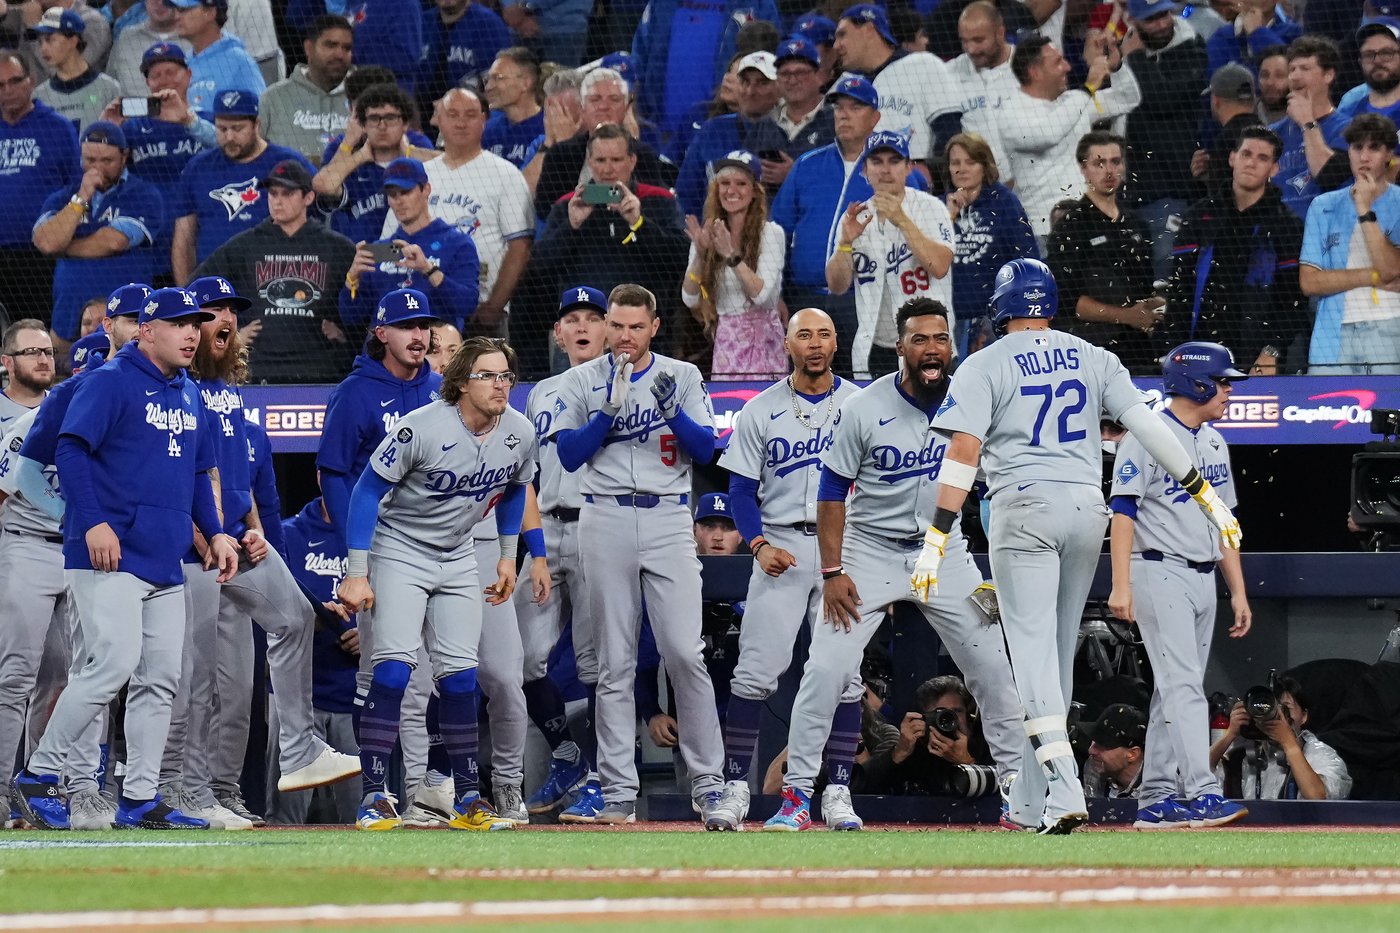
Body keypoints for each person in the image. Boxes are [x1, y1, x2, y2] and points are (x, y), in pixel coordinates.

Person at [918, 258, 1242, 834]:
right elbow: (1150, 427)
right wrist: (1205, 496)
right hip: (1086, 509)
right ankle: (1026, 803)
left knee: (1033, 659)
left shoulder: (984, 361)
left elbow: (963, 456)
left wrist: (937, 536)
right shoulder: (1093, 354)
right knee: (1057, 659)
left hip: (1025, 509)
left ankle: (1065, 792)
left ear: (1002, 305)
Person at [761, 298, 1022, 833]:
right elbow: (831, 491)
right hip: (870, 550)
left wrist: (994, 570)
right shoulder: (865, 406)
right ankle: (794, 797)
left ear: (951, 346)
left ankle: (1019, 794)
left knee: (994, 667)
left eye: (940, 339)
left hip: (944, 553)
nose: (932, 349)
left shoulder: (972, 402)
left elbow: (997, 484)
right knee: (827, 669)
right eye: (920, 339)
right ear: (900, 347)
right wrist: (833, 573)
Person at [8, 286, 238, 831]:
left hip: (164, 557)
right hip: (108, 556)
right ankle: (40, 774)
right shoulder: (110, 381)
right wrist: (91, 522)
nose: (191, 333)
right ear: (146, 330)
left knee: (161, 678)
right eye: (179, 323)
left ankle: (139, 796)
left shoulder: (188, 392)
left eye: (195, 324)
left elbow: (199, 473)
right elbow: (68, 449)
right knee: (109, 664)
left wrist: (217, 532)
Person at [160, 275, 360, 830]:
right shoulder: (178, 389)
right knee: (195, 684)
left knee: (289, 622)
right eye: (210, 311)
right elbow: (187, 474)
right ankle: (186, 791)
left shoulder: (236, 403)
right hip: (189, 555)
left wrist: (254, 533)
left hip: (234, 551)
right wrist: (208, 536)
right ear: (185, 329)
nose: (223, 319)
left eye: (230, 310)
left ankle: (279, 760)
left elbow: (240, 481)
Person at [337, 326, 536, 833]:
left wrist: (509, 558)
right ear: (460, 382)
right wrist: (357, 573)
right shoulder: (420, 426)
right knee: (394, 671)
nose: (499, 385)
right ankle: (375, 796)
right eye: (487, 376)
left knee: (461, 677)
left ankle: (467, 796)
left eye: (505, 376)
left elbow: (515, 489)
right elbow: (364, 494)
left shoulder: (519, 430)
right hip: (399, 548)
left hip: (458, 553)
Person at [550, 283, 725, 825]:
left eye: (634, 326)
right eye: (616, 326)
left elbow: (707, 451)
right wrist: (607, 412)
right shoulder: (581, 380)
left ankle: (709, 781)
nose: (624, 336)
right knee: (613, 661)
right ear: (605, 328)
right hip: (603, 514)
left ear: (652, 328)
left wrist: (673, 411)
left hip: (670, 514)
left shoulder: (684, 376)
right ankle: (619, 792)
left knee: (683, 651)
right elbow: (571, 455)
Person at [702, 308, 859, 831]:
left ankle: (837, 792)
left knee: (845, 676)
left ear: (837, 343)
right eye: (804, 335)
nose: (814, 344)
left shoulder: (859, 405)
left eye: (824, 334)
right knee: (753, 675)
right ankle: (733, 791)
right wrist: (759, 542)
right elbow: (741, 491)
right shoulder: (761, 410)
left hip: (846, 549)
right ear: (786, 344)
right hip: (783, 546)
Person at [0, 285, 147, 833]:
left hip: (77, 555)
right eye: (32, 353)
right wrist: (76, 517)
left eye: (49, 353)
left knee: (74, 677)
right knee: (15, 677)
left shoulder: (107, 407)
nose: (47, 361)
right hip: (29, 548)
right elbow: (16, 485)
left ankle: (58, 789)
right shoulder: (39, 418)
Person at [1107, 342, 1251, 827]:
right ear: (1196, 383)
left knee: (1172, 690)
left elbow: (1224, 522)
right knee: (1185, 686)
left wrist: (1239, 591)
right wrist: (1120, 585)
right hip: (1158, 568)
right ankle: (1203, 792)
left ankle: (1156, 798)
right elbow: (1122, 512)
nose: (1229, 390)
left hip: (1203, 574)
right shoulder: (1146, 436)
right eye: (1223, 381)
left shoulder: (1214, 442)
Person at [516, 286, 607, 823]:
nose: (582, 326)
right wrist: (533, 551)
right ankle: (568, 756)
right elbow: (527, 475)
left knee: (600, 667)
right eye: (571, 318)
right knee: (521, 661)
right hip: (547, 528)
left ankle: (599, 778)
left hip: (600, 524)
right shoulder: (539, 394)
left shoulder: (625, 386)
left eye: (592, 318)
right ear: (558, 333)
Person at [380, 89, 532, 342]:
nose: (461, 122)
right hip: (417, 311)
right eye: (452, 114)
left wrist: (494, 305)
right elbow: (388, 246)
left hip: (481, 308)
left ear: (484, 120)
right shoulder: (418, 175)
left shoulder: (506, 174)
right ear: (438, 118)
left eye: (470, 115)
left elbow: (520, 247)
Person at [191, 159, 355, 384]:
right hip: (259, 368)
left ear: (308, 197)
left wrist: (348, 333)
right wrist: (232, 334)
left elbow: (363, 299)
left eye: (287, 194)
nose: (277, 201)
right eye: (273, 194)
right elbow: (195, 290)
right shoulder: (246, 245)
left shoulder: (336, 247)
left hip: (320, 368)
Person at [531, 124, 689, 355]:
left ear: (632, 161)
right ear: (590, 162)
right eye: (601, 160)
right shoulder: (568, 205)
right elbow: (540, 264)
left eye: (616, 160)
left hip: (640, 332)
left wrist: (639, 224)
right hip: (582, 333)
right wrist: (571, 227)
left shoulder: (658, 201)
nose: (608, 169)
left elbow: (679, 259)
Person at [1164, 127, 1306, 375]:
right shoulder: (1198, 217)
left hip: (1257, 359)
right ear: (1232, 158)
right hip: (1199, 351)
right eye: (1246, 154)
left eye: (1262, 158)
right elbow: (1180, 288)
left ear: (1274, 169)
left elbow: (1291, 298)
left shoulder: (1287, 225)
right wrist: (1177, 350)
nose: (1251, 163)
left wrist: (1271, 350)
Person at [771, 74, 885, 380]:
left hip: (862, 301)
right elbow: (776, 232)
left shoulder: (890, 171)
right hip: (803, 297)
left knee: (859, 383)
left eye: (855, 107)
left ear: (875, 118)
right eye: (838, 107)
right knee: (804, 383)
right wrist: (776, 294)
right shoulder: (807, 165)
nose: (844, 114)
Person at [827, 132, 954, 379]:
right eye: (877, 162)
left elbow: (939, 266)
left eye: (894, 161)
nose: (885, 170)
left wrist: (902, 220)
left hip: (929, 345)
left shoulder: (931, 208)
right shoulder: (856, 216)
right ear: (864, 169)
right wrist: (845, 243)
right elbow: (837, 285)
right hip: (875, 347)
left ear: (908, 168)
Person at [1000, 32, 1142, 244]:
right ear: (1035, 72)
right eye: (1058, 62)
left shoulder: (1073, 102)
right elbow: (1047, 134)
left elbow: (1127, 98)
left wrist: (1117, 66)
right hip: (1042, 231)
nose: (1067, 67)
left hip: (1086, 224)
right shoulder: (1011, 113)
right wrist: (1089, 87)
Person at [32, 122, 165, 347]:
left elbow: (112, 241)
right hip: (68, 316)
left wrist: (64, 246)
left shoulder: (144, 194)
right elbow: (46, 242)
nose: (98, 168)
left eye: (107, 161)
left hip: (128, 317)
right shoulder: (63, 196)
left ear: (124, 157)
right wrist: (82, 197)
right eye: (90, 160)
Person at [1046, 130, 1162, 375]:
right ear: (1083, 168)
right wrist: (1126, 316)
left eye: (1115, 162)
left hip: (1137, 352)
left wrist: (1159, 304)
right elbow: (1068, 301)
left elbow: (1143, 290)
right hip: (1089, 353)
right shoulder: (1070, 228)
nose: (1109, 171)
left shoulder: (1137, 224)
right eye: (1099, 163)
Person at [170, 89, 313, 284]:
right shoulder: (198, 168)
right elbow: (184, 241)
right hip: (214, 287)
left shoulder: (288, 162)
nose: (229, 137)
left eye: (237, 129)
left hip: (275, 281)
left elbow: (316, 217)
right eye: (222, 129)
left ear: (257, 125)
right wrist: (185, 296)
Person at [1301, 113, 1400, 374]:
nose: (1364, 157)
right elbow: (1310, 282)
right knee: (1325, 412)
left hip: (1388, 334)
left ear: (1389, 153)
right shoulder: (1322, 206)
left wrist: (1364, 209)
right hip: (1331, 337)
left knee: (1387, 413)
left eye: (1374, 148)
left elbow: (1391, 269)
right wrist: (1372, 275)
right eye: (1357, 148)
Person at [1119, 0, 1209, 282]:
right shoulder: (1122, 52)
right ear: (1132, 20)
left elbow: (1162, 99)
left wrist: (1134, 59)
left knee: (1166, 275)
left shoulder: (1192, 47)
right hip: (1132, 192)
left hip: (1176, 188)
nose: (1161, 24)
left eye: (1163, 15)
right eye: (1151, 19)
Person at [341, 157, 480, 334]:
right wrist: (352, 279)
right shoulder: (381, 250)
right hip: (385, 353)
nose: (399, 201)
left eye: (405, 192)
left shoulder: (456, 243)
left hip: (434, 350)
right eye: (393, 195)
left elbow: (467, 305)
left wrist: (428, 270)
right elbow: (350, 317)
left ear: (426, 190)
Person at [680, 150, 786, 380]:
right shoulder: (709, 233)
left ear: (755, 191)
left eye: (741, 183)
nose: (731, 191)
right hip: (727, 342)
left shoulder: (770, 234)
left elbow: (763, 296)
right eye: (725, 183)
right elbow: (689, 297)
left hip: (765, 343)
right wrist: (699, 255)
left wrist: (731, 255)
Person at [629, 0, 780, 150]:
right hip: (659, 133)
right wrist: (632, 107)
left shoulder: (758, 4)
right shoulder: (661, 4)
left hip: (724, 135)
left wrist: (747, 93)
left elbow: (774, 62)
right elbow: (638, 61)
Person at [531, 67, 675, 219]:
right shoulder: (561, 155)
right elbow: (544, 209)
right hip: (576, 236)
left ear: (626, 108)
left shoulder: (642, 154)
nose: (604, 106)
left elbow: (656, 206)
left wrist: (588, 197)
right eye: (595, 99)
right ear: (582, 107)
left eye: (614, 99)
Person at [0, 50, 78, 328]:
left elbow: (76, 186)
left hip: (40, 259)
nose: (8, 90)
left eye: (15, 81)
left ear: (31, 81)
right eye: (0, 85)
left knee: (38, 331)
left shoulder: (58, 128)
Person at [313, 82, 439, 251]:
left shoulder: (415, 163)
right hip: (360, 259)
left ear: (405, 123)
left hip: (412, 256)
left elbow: (457, 163)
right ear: (363, 126)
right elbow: (323, 185)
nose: (382, 126)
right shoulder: (353, 166)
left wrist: (409, 151)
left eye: (390, 118)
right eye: (374, 119)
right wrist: (360, 156)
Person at [832, 4, 960, 171]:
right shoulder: (846, 84)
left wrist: (933, 172)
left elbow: (950, 130)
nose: (836, 45)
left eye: (842, 35)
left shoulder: (923, 64)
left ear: (869, 30)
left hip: (921, 186)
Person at [943, 132, 1036, 356]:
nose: (962, 169)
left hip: (995, 321)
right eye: (955, 163)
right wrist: (948, 217)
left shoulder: (1006, 203)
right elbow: (931, 261)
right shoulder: (939, 207)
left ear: (984, 166)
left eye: (970, 162)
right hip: (950, 320)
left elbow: (1027, 261)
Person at [673, 51, 787, 217]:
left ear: (779, 89)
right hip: (714, 234)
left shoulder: (786, 132)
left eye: (761, 83)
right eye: (745, 81)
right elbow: (687, 193)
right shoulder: (713, 130)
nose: (750, 91)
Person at [1209, 674, 1353, 800]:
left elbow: (1319, 798)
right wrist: (1230, 734)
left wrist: (1288, 743)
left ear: (1304, 715)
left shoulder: (1319, 754)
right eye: (1271, 709)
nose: (1279, 717)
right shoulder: (1241, 756)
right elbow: (1193, 781)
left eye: (1286, 709)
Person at [858, 675, 998, 797]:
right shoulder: (913, 751)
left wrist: (969, 763)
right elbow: (860, 789)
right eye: (940, 712)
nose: (949, 718)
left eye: (957, 711)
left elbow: (1010, 792)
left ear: (969, 715)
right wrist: (899, 752)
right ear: (923, 718)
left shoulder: (989, 745)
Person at [105, 43, 215, 188]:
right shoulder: (132, 127)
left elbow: (232, 147)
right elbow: (100, 169)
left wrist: (189, 121)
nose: (164, 80)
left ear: (189, 75)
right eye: (155, 75)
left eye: (171, 72)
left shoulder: (208, 119)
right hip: (147, 208)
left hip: (201, 205)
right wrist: (107, 130)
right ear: (148, 83)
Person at [1271, 34, 1349, 219]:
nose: (1295, 76)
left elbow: (1327, 174)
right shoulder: (1273, 133)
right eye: (1292, 69)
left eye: (1305, 68)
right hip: (1280, 237)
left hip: (1328, 234)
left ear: (1328, 75)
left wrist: (1307, 122)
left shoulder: (1349, 129)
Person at [258, 14, 353, 166]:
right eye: (331, 45)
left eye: (346, 48)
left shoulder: (364, 97)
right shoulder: (274, 98)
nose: (339, 55)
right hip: (288, 186)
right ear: (308, 48)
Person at [949, 1, 1020, 175]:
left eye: (978, 40)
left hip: (1031, 181)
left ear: (1000, 33)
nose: (971, 49)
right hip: (982, 187)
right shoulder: (950, 74)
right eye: (964, 41)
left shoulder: (1028, 65)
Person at [168, 0, 265, 122]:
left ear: (210, 13)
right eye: (175, 9)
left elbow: (260, 117)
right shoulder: (185, 62)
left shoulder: (239, 61)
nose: (176, 16)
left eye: (183, 10)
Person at [31, 7, 118, 131]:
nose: (43, 48)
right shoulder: (38, 96)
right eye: (40, 42)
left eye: (49, 39)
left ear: (73, 41)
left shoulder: (110, 89)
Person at [417, 0, 510, 108]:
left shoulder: (489, 23)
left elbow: (498, 81)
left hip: (471, 110)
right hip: (422, 111)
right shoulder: (422, 21)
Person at [1190, 62, 1264, 197]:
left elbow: (1223, 201)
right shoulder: (1269, 133)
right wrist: (1209, 176)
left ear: (1216, 100)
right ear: (1253, 99)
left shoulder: (1224, 142)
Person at [105, 0, 189, 98]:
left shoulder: (195, 37)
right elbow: (110, 87)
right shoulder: (126, 38)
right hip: (133, 111)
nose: (160, 3)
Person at [772, 37, 834, 167]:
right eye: (785, 74)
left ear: (819, 76)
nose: (793, 81)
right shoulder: (767, 122)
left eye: (800, 73)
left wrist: (793, 175)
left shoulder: (838, 119)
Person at [482, 46, 544, 168]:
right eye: (487, 80)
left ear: (525, 83)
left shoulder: (548, 128)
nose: (488, 87)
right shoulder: (487, 130)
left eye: (498, 78)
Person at [1339, 19, 1400, 125]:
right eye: (1369, 55)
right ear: (1360, 62)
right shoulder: (1348, 111)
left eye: (1386, 53)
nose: (1377, 61)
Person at [1081, 703, 1147, 799]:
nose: (1091, 750)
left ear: (1132, 754)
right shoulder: (1094, 767)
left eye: (1102, 745)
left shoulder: (1161, 789)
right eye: (1093, 741)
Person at [0, 320, 54, 428]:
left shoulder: (66, 405)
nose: (44, 361)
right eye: (32, 352)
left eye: (49, 352)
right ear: (8, 363)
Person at [692, 491, 742, 555]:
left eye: (727, 527)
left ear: (741, 535)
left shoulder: (755, 565)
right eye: (709, 526)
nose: (718, 537)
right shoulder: (678, 564)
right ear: (694, 531)